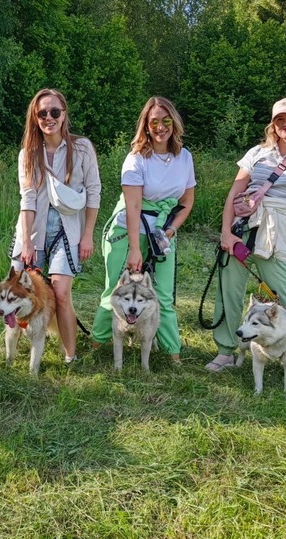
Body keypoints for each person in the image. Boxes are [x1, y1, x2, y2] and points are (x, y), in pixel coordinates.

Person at [205, 97, 286, 383]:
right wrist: (226, 232)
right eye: (279, 119)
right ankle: (226, 352)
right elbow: (233, 194)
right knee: (229, 293)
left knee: (285, 301)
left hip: (276, 235)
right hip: (242, 231)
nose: (285, 124)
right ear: (273, 125)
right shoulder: (257, 153)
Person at [91, 96, 196, 362]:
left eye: (166, 121)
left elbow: (186, 200)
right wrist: (135, 250)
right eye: (154, 122)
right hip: (129, 230)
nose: (161, 127)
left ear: (174, 122)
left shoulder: (184, 157)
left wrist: (169, 232)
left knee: (163, 294)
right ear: (146, 126)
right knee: (116, 289)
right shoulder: (136, 158)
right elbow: (133, 205)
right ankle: (99, 343)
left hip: (163, 232)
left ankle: (172, 352)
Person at [10, 88, 101, 363]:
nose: (48, 117)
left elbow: (94, 191)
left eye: (54, 112)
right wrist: (26, 242)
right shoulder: (28, 153)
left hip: (68, 229)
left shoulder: (82, 148)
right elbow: (27, 198)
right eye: (42, 113)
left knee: (61, 293)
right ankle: (12, 351)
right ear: (35, 118)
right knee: (18, 291)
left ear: (64, 114)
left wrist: (88, 235)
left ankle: (70, 356)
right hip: (33, 228)